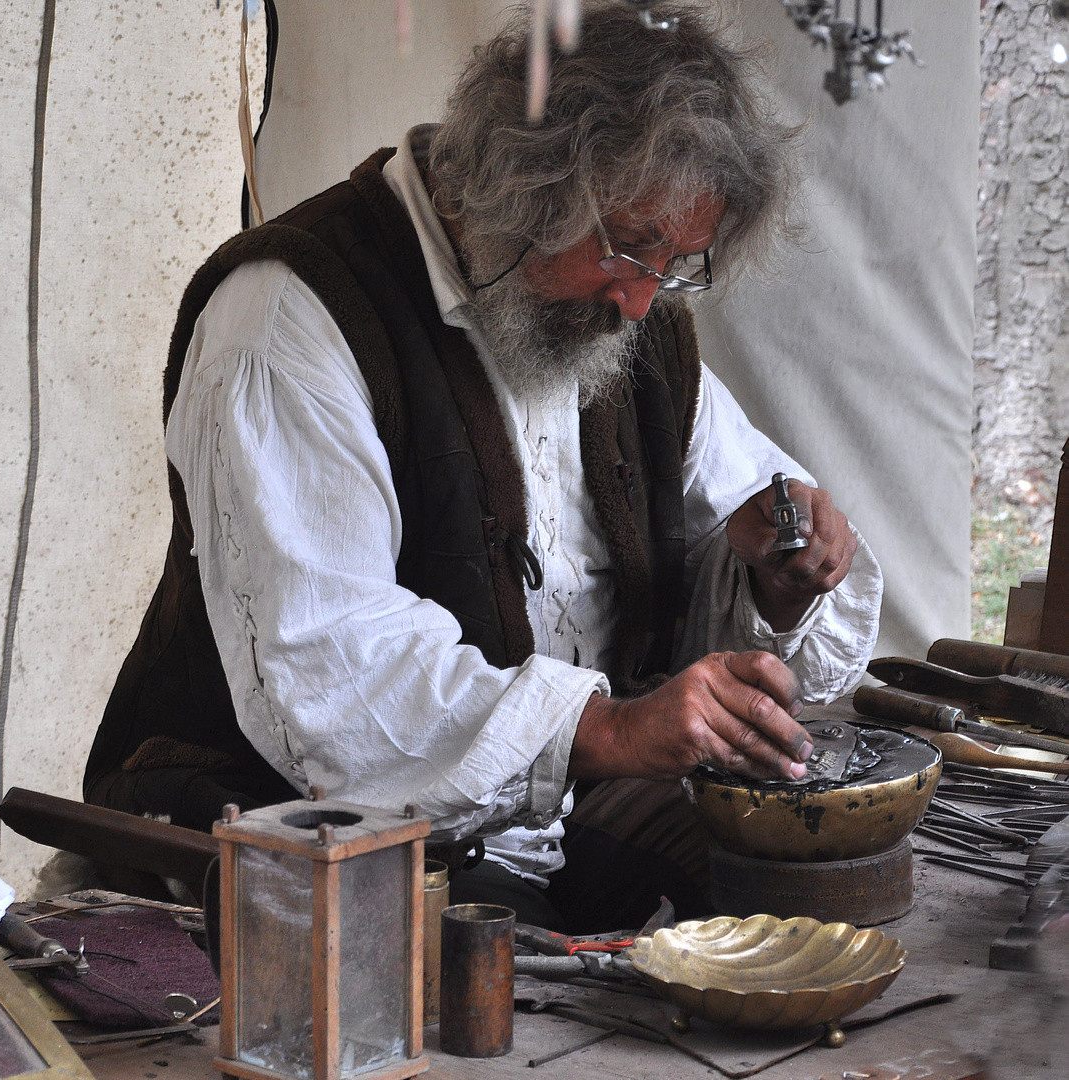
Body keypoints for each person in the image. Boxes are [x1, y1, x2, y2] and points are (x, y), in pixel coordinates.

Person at [85, 1, 881, 930]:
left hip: (550, 817)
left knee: (814, 884)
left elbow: (735, 510)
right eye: (626, 248)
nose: (639, 300)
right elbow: (337, 676)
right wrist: (613, 729)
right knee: (530, 1004)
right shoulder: (286, 325)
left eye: (676, 261)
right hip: (303, 835)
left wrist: (778, 578)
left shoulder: (624, 325)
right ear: (524, 186)